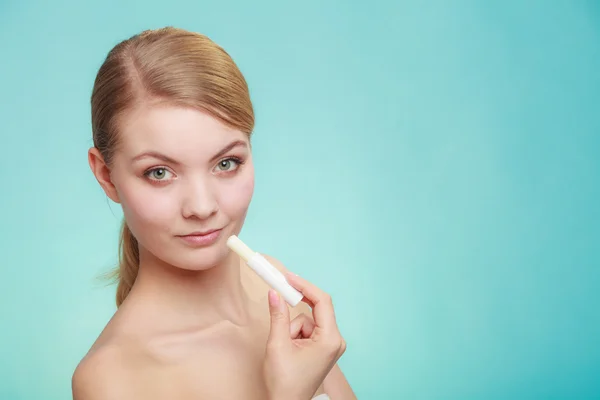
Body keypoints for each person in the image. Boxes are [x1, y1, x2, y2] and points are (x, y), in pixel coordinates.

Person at [71, 26, 357, 400]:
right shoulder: (111, 378)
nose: (202, 207)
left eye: (226, 163)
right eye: (159, 173)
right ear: (106, 175)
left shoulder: (274, 290)